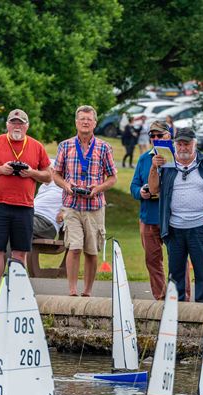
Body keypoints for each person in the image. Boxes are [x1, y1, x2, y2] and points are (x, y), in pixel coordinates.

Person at [147, 126, 203, 303]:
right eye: (180, 144)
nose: (183, 148)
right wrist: (154, 168)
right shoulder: (166, 162)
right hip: (175, 227)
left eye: (187, 144)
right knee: (175, 273)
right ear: (175, 145)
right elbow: (153, 189)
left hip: (202, 225)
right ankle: (176, 311)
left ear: (195, 144)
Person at [0, 108, 51, 291]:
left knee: (20, 251)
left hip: (24, 206)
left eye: (21, 123)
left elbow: (48, 176)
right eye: (14, 123)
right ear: (7, 125)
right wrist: (1, 169)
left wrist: (31, 173)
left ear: (27, 126)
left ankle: (16, 293)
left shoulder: (36, 146)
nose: (17, 126)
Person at [53, 105, 117, 297]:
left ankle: (87, 291)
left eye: (89, 119)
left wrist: (98, 189)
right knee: (74, 247)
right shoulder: (65, 146)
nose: (85, 122)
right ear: (76, 122)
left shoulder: (104, 147)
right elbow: (55, 174)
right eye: (82, 119)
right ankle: (72, 290)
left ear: (95, 123)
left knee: (91, 250)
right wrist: (65, 185)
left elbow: (112, 177)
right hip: (71, 205)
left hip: (94, 206)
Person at [130, 119, 190, 300]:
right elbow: (133, 186)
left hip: (173, 217)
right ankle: (160, 297)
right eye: (152, 136)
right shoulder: (144, 159)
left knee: (178, 259)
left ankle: (182, 297)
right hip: (149, 216)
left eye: (160, 135)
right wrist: (141, 192)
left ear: (169, 135)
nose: (156, 138)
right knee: (152, 260)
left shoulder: (179, 157)